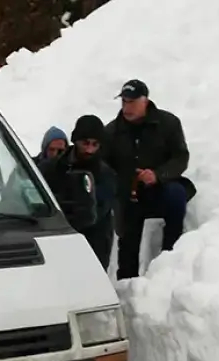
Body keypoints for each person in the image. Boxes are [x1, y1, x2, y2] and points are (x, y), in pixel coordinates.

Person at [101, 79, 196, 279]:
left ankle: (170, 260)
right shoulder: (111, 132)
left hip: (160, 189)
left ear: (145, 102)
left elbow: (180, 157)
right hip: (128, 195)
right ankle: (127, 283)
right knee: (127, 236)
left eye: (132, 102)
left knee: (176, 195)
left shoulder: (168, 124)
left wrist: (158, 175)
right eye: (124, 102)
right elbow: (104, 167)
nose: (127, 107)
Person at [39, 115, 116, 269]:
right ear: (76, 141)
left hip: (93, 241)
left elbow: (96, 211)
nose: (89, 149)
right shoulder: (52, 167)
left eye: (95, 144)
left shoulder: (106, 175)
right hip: (54, 237)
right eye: (85, 143)